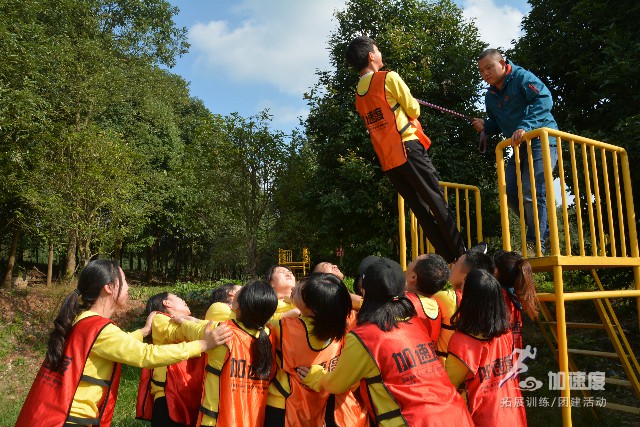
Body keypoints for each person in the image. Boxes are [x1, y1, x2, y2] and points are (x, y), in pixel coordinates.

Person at [16, 260, 228, 427]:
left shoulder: (83, 321)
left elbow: (117, 343)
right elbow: (145, 355)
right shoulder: (100, 328)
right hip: (72, 421)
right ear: (109, 287)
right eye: (125, 280)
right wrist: (201, 345)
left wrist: (143, 331)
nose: (129, 287)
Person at [299, 257, 473, 427]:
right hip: (457, 414)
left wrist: (314, 376)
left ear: (364, 293)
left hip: (414, 421)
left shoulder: (365, 336)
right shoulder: (413, 322)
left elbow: (337, 384)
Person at [345, 36, 466, 263]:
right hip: (408, 147)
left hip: (389, 159)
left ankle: (449, 258)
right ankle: (462, 255)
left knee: (420, 209)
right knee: (435, 199)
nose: (380, 53)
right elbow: (414, 109)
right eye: (377, 49)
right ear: (371, 55)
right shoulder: (389, 78)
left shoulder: (358, 96)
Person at [472, 48, 559, 254]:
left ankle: (535, 243)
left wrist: (526, 126)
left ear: (502, 63)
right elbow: (497, 123)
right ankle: (540, 231)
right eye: (481, 71)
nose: (485, 74)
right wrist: (485, 125)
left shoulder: (522, 77)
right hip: (519, 146)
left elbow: (544, 99)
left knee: (532, 191)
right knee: (510, 193)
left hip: (541, 141)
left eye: (489, 68)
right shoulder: (490, 95)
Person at [265, 273, 367, 427]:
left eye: (299, 291)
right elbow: (367, 305)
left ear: (312, 308)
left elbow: (258, 320)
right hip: (320, 406)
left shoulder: (285, 327)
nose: (294, 288)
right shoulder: (347, 323)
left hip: (285, 405)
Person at [176, 280, 278, 427]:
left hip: (216, 420)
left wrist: (181, 320)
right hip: (256, 420)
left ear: (236, 305)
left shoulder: (221, 332)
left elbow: (193, 329)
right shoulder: (271, 336)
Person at [445, 269, 527, 427]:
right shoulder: (505, 333)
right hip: (512, 414)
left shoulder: (463, 342)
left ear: (469, 299)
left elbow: (449, 387)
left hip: (482, 419)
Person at [136, 292, 206, 426]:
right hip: (169, 397)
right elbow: (180, 334)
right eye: (179, 298)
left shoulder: (183, 322)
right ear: (166, 303)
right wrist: (199, 327)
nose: (184, 300)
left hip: (184, 394)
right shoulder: (160, 318)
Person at [433, 250, 495, 360]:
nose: (452, 265)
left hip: (446, 369)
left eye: (457, 263)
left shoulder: (446, 298)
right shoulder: (491, 302)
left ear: (465, 277)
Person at [493, 250, 539, 350]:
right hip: (514, 357)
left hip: (500, 358)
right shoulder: (516, 296)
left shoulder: (497, 296)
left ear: (496, 271)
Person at [404, 254, 449, 344]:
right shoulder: (436, 305)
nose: (409, 263)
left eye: (413, 261)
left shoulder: (403, 302)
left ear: (413, 277)